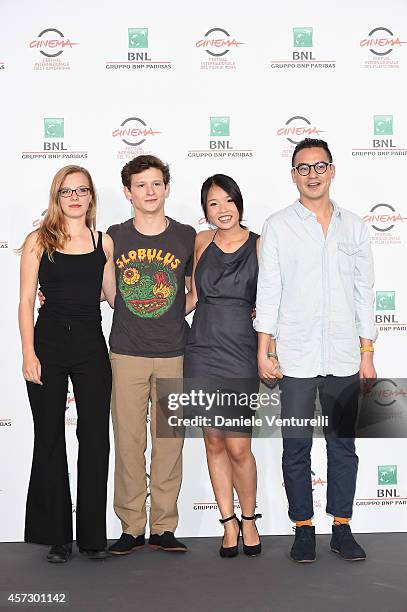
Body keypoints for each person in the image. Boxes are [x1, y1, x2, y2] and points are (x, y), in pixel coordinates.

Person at [254, 138, 377, 562]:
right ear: (293, 175)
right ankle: (303, 527)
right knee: (296, 447)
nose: (312, 174)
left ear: (332, 170)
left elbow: (364, 293)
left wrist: (367, 352)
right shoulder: (277, 226)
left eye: (319, 166)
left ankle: (341, 526)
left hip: (344, 355)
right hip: (296, 356)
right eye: (303, 167)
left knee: (343, 445)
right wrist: (264, 348)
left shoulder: (356, 226)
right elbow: (269, 291)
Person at [19, 165, 116, 563]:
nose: (75, 197)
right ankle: (57, 536)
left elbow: (111, 296)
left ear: (91, 197)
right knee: (49, 438)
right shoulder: (38, 240)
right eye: (67, 191)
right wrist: (29, 352)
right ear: (56, 197)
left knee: (94, 438)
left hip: (92, 343)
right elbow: (26, 301)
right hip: (49, 342)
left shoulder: (103, 241)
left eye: (82, 191)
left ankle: (92, 537)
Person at [184, 174, 280, 558]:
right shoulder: (200, 242)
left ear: (239, 203)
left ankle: (250, 519)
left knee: (239, 445)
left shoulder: (260, 245)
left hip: (241, 347)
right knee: (213, 440)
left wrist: (269, 350)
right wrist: (148, 314)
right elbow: (191, 296)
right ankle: (227, 522)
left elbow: (272, 305)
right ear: (205, 210)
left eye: (228, 201)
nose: (222, 210)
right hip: (202, 345)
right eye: (213, 203)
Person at [107, 155, 196, 555]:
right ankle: (131, 526)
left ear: (167, 188)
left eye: (156, 183)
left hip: (174, 352)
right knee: (128, 443)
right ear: (128, 192)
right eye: (140, 185)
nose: (149, 191)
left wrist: (179, 308)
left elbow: (193, 288)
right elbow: (107, 290)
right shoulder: (113, 236)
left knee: (169, 442)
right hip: (125, 353)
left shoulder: (186, 236)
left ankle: (163, 526)